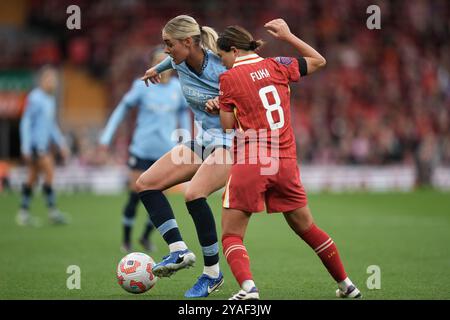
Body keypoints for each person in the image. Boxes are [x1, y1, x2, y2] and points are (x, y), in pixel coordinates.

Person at [217, 19, 361, 300]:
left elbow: (226, 127)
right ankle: (347, 285)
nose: (222, 63)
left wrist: (218, 104)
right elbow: (318, 61)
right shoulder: (278, 65)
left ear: (233, 51)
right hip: (285, 161)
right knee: (307, 228)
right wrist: (288, 35)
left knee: (231, 235)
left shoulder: (228, 78)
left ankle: (249, 290)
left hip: (253, 160)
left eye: (222, 57)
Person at [138, 15, 233, 298]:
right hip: (204, 141)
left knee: (193, 194)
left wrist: (225, 105)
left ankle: (213, 274)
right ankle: (178, 251)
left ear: (188, 42)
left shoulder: (222, 68)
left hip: (233, 142)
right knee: (146, 183)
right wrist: (157, 67)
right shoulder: (179, 61)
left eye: (169, 44)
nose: (166, 50)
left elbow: (248, 100)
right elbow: (171, 61)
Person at [99, 48, 191, 253]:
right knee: (135, 194)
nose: (163, 68)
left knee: (159, 198)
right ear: (151, 66)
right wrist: (106, 137)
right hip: (141, 150)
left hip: (165, 153)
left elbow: (183, 115)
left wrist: (186, 142)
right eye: (158, 62)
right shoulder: (141, 86)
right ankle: (126, 240)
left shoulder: (178, 88)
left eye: (166, 62)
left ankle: (145, 237)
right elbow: (122, 108)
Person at [18, 65, 69, 226]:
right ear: (42, 80)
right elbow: (26, 122)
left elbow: (51, 125)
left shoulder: (50, 99)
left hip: (43, 145)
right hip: (36, 145)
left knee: (32, 178)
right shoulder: (35, 98)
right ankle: (53, 212)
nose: (53, 82)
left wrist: (60, 142)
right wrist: (25, 146)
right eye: (50, 79)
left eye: (54, 79)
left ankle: (23, 213)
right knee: (49, 173)